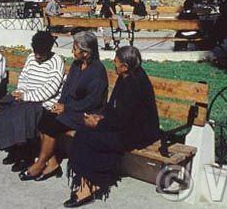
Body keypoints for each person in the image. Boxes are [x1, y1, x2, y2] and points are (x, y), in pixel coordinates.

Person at [63, 46, 160, 206]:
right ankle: (88, 181)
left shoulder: (133, 84)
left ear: (125, 66)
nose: (113, 65)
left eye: (116, 62)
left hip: (139, 133)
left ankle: (91, 184)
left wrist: (99, 122)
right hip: (125, 126)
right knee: (84, 131)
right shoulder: (127, 76)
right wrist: (99, 116)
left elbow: (122, 120)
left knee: (88, 137)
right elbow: (114, 106)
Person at [20, 31, 107, 182]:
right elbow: (67, 88)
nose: (72, 51)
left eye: (75, 48)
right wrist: (60, 104)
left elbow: (93, 101)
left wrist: (67, 108)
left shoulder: (97, 70)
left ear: (85, 53)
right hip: (70, 108)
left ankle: (39, 164)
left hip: (86, 113)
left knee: (52, 126)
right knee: (44, 119)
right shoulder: (76, 65)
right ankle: (52, 163)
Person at [0, 31, 65, 171]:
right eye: (36, 52)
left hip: (43, 101)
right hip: (26, 96)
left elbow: (51, 89)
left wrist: (27, 97)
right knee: (5, 110)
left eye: (41, 54)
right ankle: (13, 149)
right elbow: (24, 78)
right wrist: (21, 92)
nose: (37, 56)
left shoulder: (57, 61)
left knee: (22, 115)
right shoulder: (31, 57)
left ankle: (26, 155)